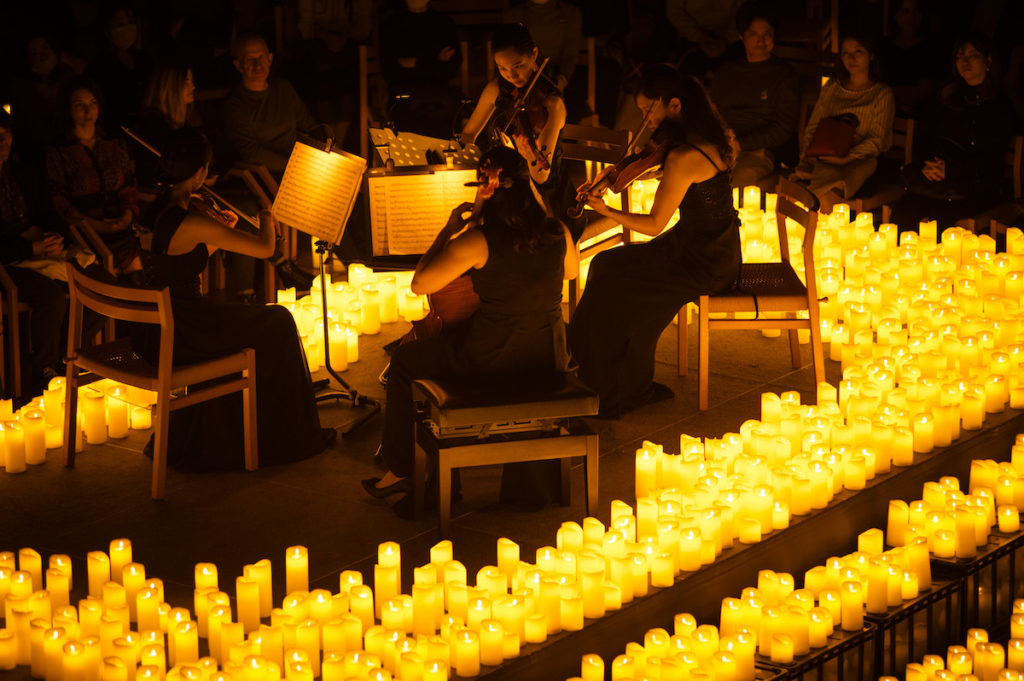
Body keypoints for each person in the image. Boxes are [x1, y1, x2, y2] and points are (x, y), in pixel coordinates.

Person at [363, 145, 578, 513]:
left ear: (488, 188)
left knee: (405, 361)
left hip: (493, 358)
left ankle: (403, 469)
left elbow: (421, 284)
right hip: (547, 353)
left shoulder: (477, 242)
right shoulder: (555, 231)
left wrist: (448, 230)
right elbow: (572, 271)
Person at [134, 126, 334, 471]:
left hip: (158, 327)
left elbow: (180, 259)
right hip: (185, 331)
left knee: (259, 321)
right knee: (278, 322)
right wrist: (268, 214)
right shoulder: (192, 220)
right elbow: (266, 248)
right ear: (199, 173)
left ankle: (239, 429)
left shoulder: (155, 213)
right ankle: (287, 435)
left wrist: (217, 234)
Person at [568, 64, 741, 419]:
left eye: (649, 109)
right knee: (606, 264)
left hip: (704, 262)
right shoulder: (707, 137)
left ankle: (612, 385)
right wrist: (618, 175)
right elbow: (655, 167)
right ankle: (594, 369)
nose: (645, 119)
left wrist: (606, 210)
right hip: (705, 246)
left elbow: (653, 225)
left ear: (674, 105)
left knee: (623, 289)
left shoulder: (685, 156)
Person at [460, 24, 583, 239]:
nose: (512, 75)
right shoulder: (498, 89)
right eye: (502, 68)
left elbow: (542, 176)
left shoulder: (552, 104)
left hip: (549, 205)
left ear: (534, 54)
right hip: (508, 198)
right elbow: (468, 135)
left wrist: (529, 158)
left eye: (518, 65)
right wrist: (472, 158)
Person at [890, 34, 1015, 231]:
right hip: (936, 179)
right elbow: (925, 136)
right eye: (960, 56)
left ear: (988, 60)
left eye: (972, 55)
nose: (965, 61)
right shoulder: (946, 98)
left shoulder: (999, 107)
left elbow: (991, 158)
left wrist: (951, 170)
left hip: (974, 184)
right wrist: (929, 165)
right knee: (903, 214)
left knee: (942, 225)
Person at [0, 111, 71, 394]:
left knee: (96, 282)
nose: (3, 141)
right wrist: (30, 247)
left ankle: (65, 358)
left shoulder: (21, 171)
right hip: (8, 261)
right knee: (51, 296)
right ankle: (43, 372)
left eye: (6, 134)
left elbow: (47, 211)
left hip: (37, 249)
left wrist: (56, 236)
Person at [46, 76, 142, 277]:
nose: (88, 111)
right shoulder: (60, 151)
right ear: (68, 109)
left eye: (93, 104)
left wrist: (126, 216)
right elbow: (60, 201)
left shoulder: (113, 143)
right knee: (107, 268)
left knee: (138, 263)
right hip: (85, 232)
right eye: (80, 105)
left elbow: (128, 185)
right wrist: (98, 226)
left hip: (122, 226)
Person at [793, 34, 895, 213]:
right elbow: (813, 125)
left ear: (871, 55)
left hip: (858, 160)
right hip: (824, 154)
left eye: (858, 51)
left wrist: (846, 157)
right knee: (797, 193)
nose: (852, 58)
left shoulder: (881, 94)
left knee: (825, 198)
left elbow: (879, 140)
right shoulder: (833, 87)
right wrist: (808, 153)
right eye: (846, 52)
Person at [708, 2, 799, 189]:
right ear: (741, 36)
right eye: (753, 34)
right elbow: (710, 112)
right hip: (720, 147)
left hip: (758, 151)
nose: (761, 41)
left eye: (767, 34)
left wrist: (741, 144)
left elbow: (782, 128)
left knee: (738, 185)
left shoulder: (783, 75)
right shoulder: (726, 72)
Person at [380, 0, 463, 140]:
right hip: (404, 98)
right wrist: (435, 61)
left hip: (441, 96)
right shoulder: (391, 25)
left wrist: (415, 63)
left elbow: (451, 68)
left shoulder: (444, 24)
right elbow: (391, 72)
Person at [133, 59, 198, 190]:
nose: (193, 86)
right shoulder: (153, 128)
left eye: (192, 81)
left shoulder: (186, 123)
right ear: (169, 85)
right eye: (186, 81)